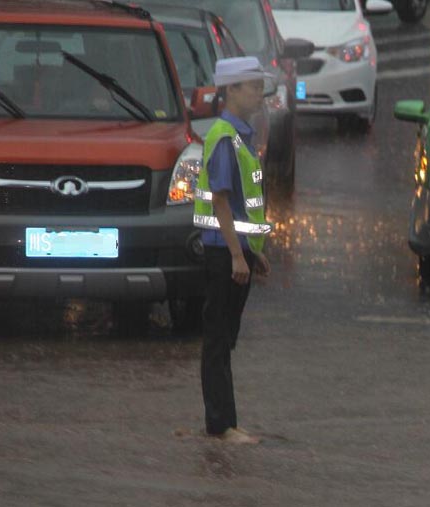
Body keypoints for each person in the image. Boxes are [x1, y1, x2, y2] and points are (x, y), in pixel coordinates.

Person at [192, 56, 273, 444]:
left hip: (234, 251)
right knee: (217, 341)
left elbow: (242, 204)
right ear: (231, 90)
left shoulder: (240, 136)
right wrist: (238, 255)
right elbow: (221, 201)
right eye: (253, 87)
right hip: (223, 253)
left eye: (260, 87)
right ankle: (220, 425)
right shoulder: (225, 137)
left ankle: (226, 422)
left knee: (224, 339)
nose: (259, 94)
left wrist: (253, 251)